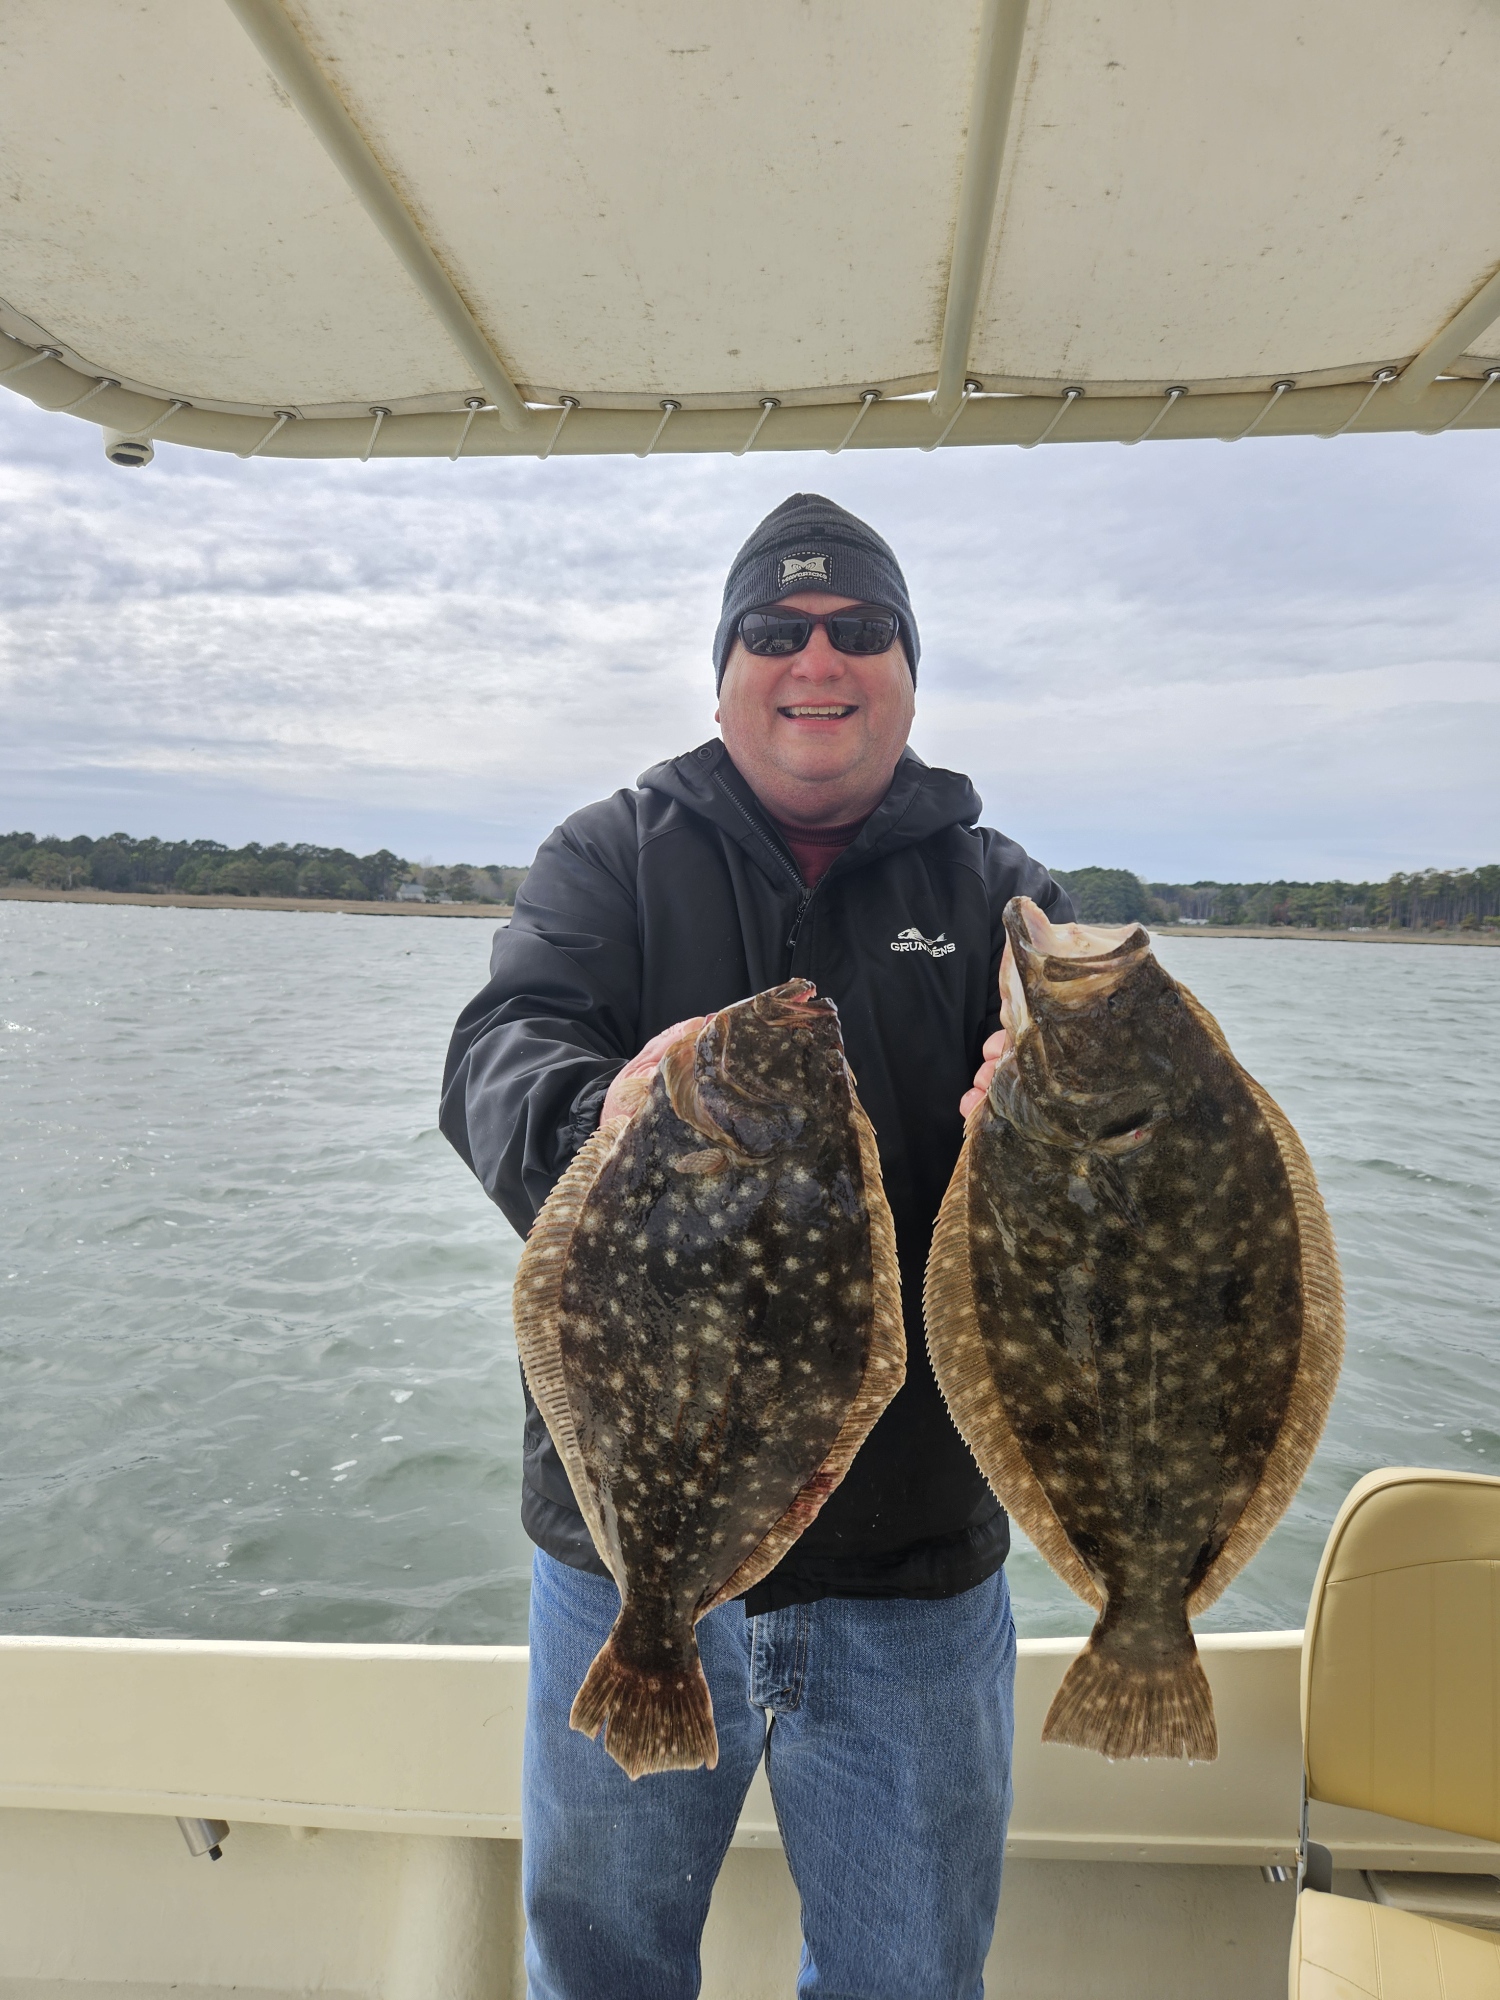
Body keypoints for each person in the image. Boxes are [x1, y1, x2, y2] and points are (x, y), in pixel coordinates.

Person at [440, 493, 1074, 1999]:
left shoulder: (999, 893)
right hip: (631, 1556)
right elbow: (494, 1055)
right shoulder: (611, 854)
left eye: (860, 632)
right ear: (723, 667)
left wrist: (1044, 1122)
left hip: (910, 1564)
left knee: (909, 1975)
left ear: (909, 673)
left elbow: (1092, 1184)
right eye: (776, 633)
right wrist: (601, 1114)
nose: (819, 661)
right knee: (599, 1963)